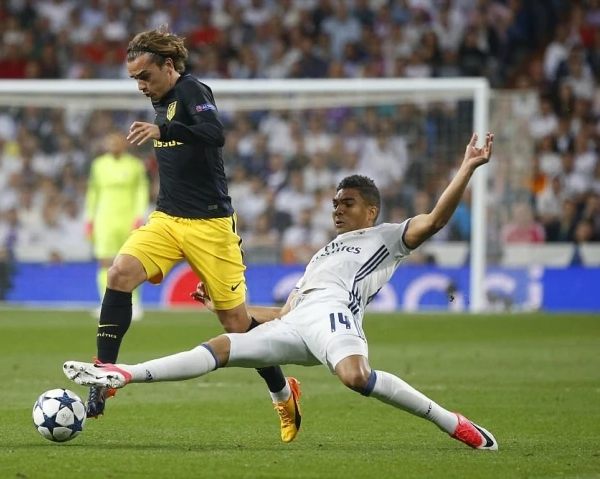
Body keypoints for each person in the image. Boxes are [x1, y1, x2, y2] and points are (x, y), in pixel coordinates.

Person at [64, 133, 498, 450]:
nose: (337, 209)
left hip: (334, 318)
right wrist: (223, 306)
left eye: (347, 203)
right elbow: (285, 312)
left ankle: (452, 422)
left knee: (355, 377)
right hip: (298, 323)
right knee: (223, 345)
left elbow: (436, 220)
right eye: (335, 203)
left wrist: (467, 168)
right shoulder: (323, 253)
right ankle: (124, 374)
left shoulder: (387, 237)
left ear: (371, 210)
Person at [87, 25, 301, 443]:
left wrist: (164, 131)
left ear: (168, 65)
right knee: (119, 274)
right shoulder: (159, 98)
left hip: (210, 225)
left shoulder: (191, 90)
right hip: (167, 219)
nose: (140, 85)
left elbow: (215, 134)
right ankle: (103, 375)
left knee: (237, 325)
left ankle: (282, 392)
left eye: (145, 76)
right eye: (134, 79)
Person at [85, 132, 149, 321]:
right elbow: (93, 192)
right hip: (104, 219)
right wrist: (89, 218)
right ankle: (106, 303)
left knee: (132, 262)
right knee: (105, 262)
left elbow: (141, 191)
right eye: (109, 142)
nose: (112, 145)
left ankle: (133, 303)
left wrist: (139, 215)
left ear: (124, 144)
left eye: (116, 142)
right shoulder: (98, 165)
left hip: (128, 219)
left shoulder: (135, 165)